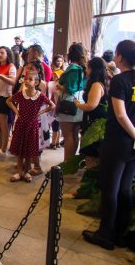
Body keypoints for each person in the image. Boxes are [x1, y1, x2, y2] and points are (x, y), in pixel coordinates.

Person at [83, 40, 135, 251]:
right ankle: (120, 234)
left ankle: (105, 234)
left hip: (118, 141)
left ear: (120, 56)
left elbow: (120, 114)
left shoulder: (120, 81)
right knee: (124, 189)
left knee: (110, 188)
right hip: (131, 146)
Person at [6, 71, 55, 182]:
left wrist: (40, 112)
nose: (27, 81)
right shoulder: (21, 94)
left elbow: (52, 105)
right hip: (21, 124)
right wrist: (16, 111)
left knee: (28, 148)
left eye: (30, 79)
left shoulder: (40, 96)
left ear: (36, 82)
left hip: (32, 125)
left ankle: (27, 171)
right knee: (19, 149)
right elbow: (8, 101)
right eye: (26, 79)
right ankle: (19, 171)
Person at [70, 57, 108, 200]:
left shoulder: (96, 85)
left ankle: (88, 188)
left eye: (88, 67)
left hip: (94, 125)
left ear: (93, 69)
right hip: (94, 123)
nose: (86, 70)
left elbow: (91, 105)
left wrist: (78, 104)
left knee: (91, 157)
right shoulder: (102, 83)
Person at [56, 43, 87, 162]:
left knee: (68, 136)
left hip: (68, 103)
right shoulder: (84, 69)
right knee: (74, 135)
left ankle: (67, 163)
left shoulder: (73, 68)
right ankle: (72, 163)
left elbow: (70, 89)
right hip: (80, 102)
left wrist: (59, 85)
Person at [0, 46, 16, 157]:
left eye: (2, 53)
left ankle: (3, 147)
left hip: (5, 97)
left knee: (3, 124)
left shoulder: (11, 67)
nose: (0, 55)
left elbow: (13, 82)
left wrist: (0, 76)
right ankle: (1, 145)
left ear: (7, 54)